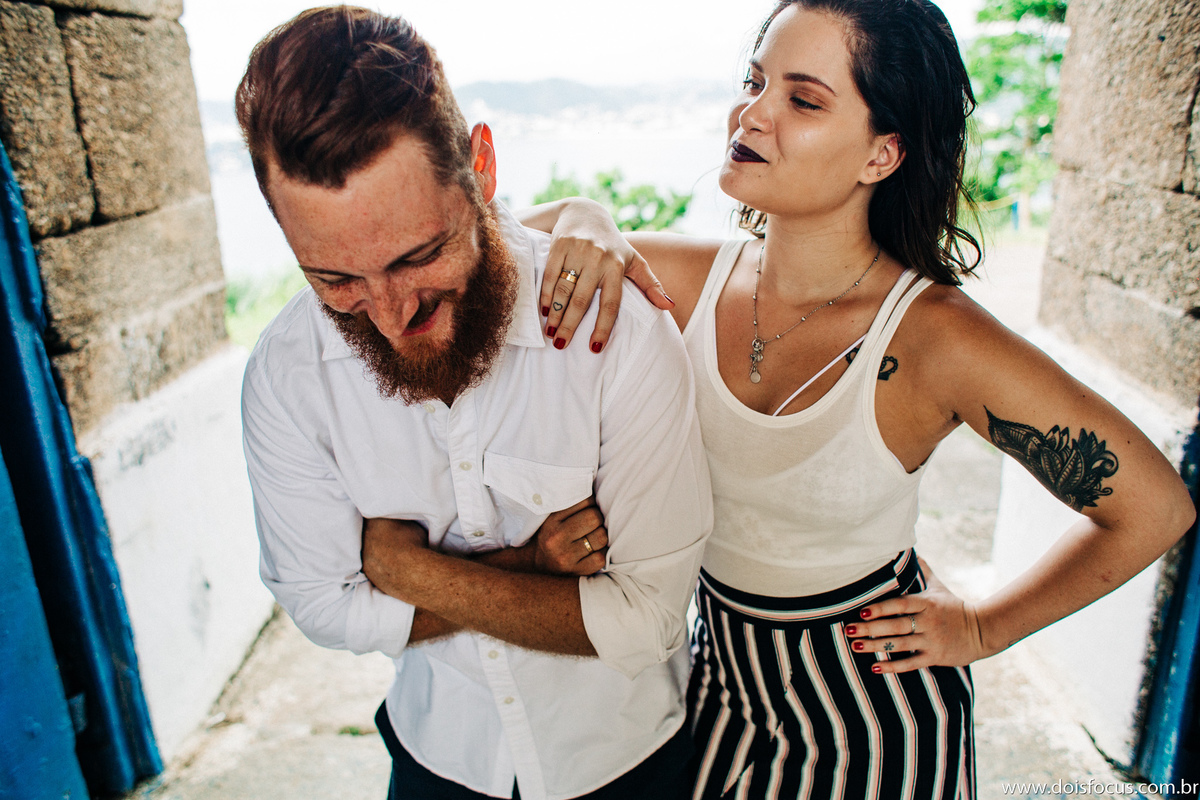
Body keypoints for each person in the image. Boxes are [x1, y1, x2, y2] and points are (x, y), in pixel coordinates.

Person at [519, 0, 1197, 797]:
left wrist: (983, 627)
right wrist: (584, 216)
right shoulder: (682, 280)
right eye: (754, 80)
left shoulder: (935, 338)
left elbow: (1154, 508)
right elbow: (492, 255)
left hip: (875, 715)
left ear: (883, 154)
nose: (753, 112)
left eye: (803, 99)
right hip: (715, 694)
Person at [235, 8, 713, 800]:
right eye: (335, 280)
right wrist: (529, 566)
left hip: (630, 761)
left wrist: (402, 568)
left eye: (418, 256)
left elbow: (645, 621)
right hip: (435, 756)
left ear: (480, 166)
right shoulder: (287, 376)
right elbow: (322, 605)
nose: (389, 319)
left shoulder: (615, 332)